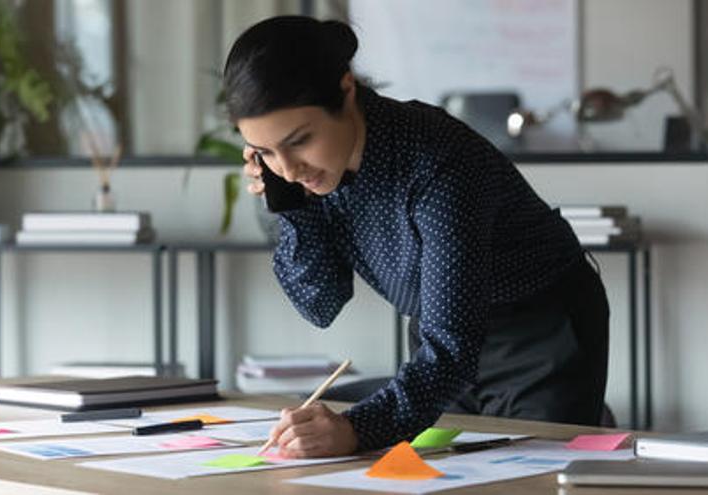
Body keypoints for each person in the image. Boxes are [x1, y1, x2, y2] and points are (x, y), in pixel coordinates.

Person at [223, 16, 609, 458]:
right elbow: (319, 303)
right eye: (266, 152)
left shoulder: (437, 161)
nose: (289, 168)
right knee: (439, 477)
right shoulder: (301, 179)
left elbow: (452, 348)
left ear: (346, 90)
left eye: (299, 141)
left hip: (539, 331)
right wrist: (289, 206)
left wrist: (352, 429)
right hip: (441, 339)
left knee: (528, 478)